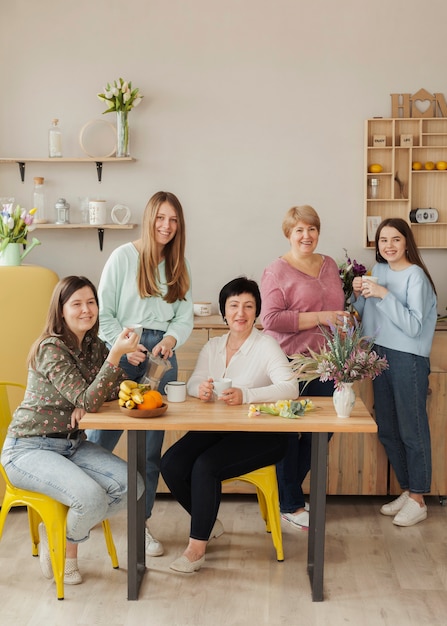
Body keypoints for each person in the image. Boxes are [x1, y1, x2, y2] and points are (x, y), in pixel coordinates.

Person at [1, 276, 143, 585]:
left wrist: (89, 395)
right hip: (28, 448)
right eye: (76, 303)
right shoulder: (50, 348)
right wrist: (107, 369)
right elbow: (87, 397)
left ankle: (60, 532)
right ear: (61, 310)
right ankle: (64, 550)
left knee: (134, 484)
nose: (86, 309)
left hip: (71, 444)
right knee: (91, 499)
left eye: (91, 302)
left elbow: (107, 391)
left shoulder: (93, 345)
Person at [160, 277, 297, 573]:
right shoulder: (214, 345)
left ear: (257, 311)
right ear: (224, 311)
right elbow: (196, 379)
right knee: (171, 464)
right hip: (219, 428)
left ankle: (196, 549)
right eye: (233, 305)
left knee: (205, 466)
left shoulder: (266, 345)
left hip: (263, 435)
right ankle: (207, 521)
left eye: (248, 306)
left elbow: (290, 387)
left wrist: (247, 395)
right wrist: (202, 390)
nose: (241, 312)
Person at [86, 191, 193, 557]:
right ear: (149, 219)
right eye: (161, 218)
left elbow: (184, 315)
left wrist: (171, 338)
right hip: (125, 349)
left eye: (173, 220)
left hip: (162, 354)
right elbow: (105, 313)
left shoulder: (178, 263)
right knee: (98, 440)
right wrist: (126, 346)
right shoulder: (122, 257)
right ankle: (81, 515)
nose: (166, 226)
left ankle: (140, 524)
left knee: (149, 450)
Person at [260, 205, 347, 530]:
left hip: (326, 363)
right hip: (289, 362)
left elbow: (336, 308)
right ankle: (292, 505)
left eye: (311, 229)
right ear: (288, 234)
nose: (306, 236)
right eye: (299, 230)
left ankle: (283, 495)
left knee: (321, 433)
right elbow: (270, 319)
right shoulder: (276, 271)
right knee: (286, 433)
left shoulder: (329, 266)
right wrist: (322, 318)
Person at [352, 218, 437, 526]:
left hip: (408, 358)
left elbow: (414, 326)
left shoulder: (416, 276)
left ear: (406, 243)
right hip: (379, 354)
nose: (388, 245)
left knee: (412, 429)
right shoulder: (379, 272)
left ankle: (418, 498)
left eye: (395, 239)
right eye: (383, 240)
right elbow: (363, 316)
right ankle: (409, 489)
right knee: (387, 427)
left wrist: (383, 294)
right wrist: (358, 294)